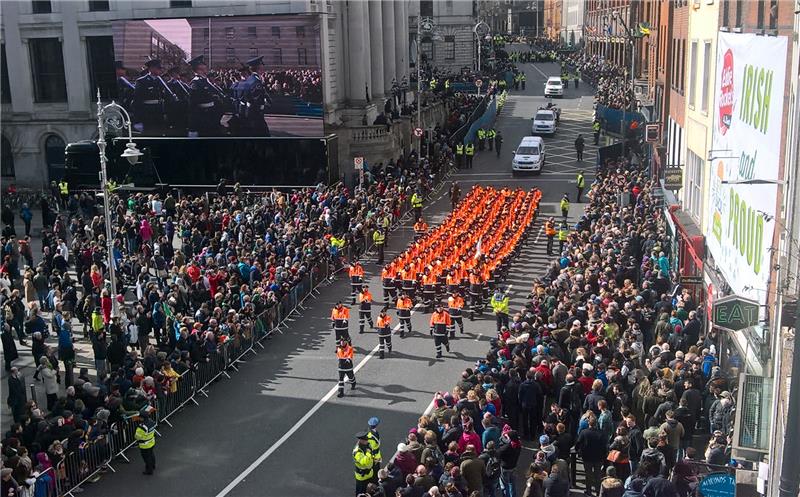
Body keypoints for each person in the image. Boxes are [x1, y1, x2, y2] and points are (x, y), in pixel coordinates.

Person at [132, 59, 177, 135]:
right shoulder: (142, 81)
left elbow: (165, 97)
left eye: (160, 68)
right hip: (147, 113)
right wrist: (138, 120)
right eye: (158, 68)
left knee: (160, 133)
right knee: (149, 134)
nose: (160, 70)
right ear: (151, 69)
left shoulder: (160, 81)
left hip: (159, 112)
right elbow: (137, 101)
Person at [188, 55, 226, 137]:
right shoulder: (196, 82)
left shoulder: (205, 80)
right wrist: (194, 123)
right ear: (198, 68)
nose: (206, 67)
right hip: (203, 115)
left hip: (210, 113)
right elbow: (193, 104)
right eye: (203, 65)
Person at [234, 55, 272, 136]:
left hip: (251, 111)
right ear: (259, 67)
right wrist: (265, 103)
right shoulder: (255, 81)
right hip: (255, 113)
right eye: (262, 65)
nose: (263, 67)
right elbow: (257, 99)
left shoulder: (252, 79)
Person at [575, 417, 607, 496]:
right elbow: (604, 446)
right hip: (598, 457)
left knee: (588, 475)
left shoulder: (584, 432)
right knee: (598, 475)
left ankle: (588, 491)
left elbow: (578, 443)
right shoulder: (601, 433)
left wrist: (578, 451)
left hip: (587, 457)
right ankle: (598, 491)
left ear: (589, 423)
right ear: (596, 423)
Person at [135, 410, 157, 475]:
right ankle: (153, 465)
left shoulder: (141, 427)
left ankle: (149, 470)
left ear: (142, 417)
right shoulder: (152, 422)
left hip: (144, 445)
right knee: (151, 454)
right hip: (151, 441)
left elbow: (137, 437)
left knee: (146, 458)